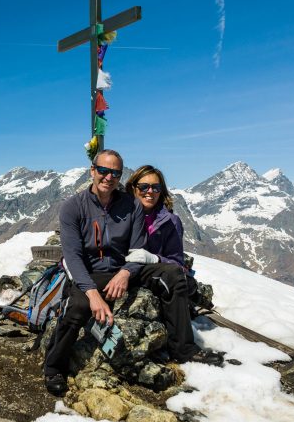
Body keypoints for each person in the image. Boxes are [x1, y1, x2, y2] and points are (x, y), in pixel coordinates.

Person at [44, 149, 145, 396]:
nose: (108, 177)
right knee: (76, 308)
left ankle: (183, 348)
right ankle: (53, 367)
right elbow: (73, 256)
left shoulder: (132, 205)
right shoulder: (73, 207)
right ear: (92, 171)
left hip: (121, 271)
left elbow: (139, 249)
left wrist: (125, 273)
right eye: (103, 170)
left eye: (115, 173)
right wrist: (92, 294)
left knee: (169, 277)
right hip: (88, 272)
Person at [124, 165, 223, 367]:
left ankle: (183, 349)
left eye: (155, 187)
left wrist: (154, 259)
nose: (149, 192)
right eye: (143, 187)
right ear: (133, 188)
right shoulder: (120, 213)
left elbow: (176, 261)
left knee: (175, 276)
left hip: (152, 271)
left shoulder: (170, 221)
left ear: (162, 190)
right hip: (121, 268)